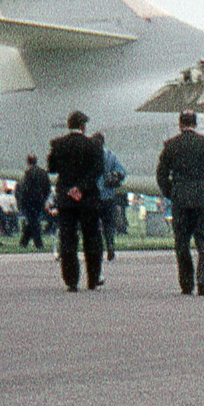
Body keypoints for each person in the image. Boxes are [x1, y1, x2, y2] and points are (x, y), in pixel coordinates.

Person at [156, 111, 204, 295]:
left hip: (181, 198)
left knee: (182, 243)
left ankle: (186, 283)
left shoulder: (171, 145)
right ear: (195, 123)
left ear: (180, 124)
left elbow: (161, 174)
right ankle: (202, 280)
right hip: (203, 198)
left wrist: (171, 192)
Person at [47, 110, 105, 292]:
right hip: (88, 199)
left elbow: (52, 169)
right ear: (83, 126)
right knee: (92, 239)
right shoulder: (93, 146)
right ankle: (93, 279)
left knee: (68, 239)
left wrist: (71, 188)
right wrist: (81, 188)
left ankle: (71, 279)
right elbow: (98, 171)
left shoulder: (57, 145)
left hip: (66, 198)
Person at [92, 133, 127, 261]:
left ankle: (97, 250)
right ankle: (110, 245)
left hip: (94, 196)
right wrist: (114, 174)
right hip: (108, 195)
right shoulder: (111, 156)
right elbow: (122, 172)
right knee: (108, 224)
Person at [18, 154, 51, 249]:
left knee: (33, 222)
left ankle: (39, 243)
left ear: (28, 162)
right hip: (40, 202)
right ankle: (23, 242)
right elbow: (47, 188)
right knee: (33, 221)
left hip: (30, 202)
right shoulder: (43, 173)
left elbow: (25, 189)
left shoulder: (28, 173)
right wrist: (43, 198)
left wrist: (22, 203)